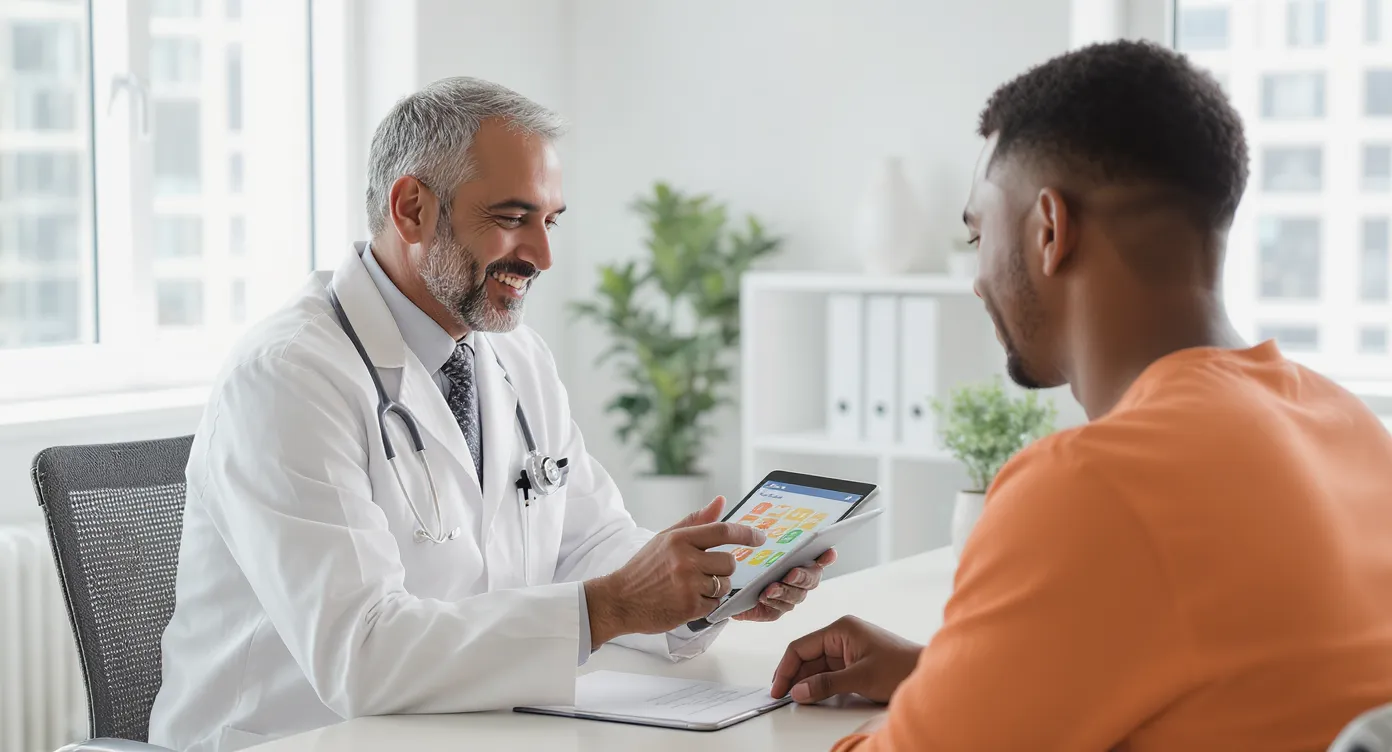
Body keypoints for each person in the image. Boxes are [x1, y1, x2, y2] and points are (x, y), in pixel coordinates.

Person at [149, 77, 833, 752]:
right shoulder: (289, 377)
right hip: (292, 739)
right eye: (512, 219)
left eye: (550, 220)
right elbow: (362, 653)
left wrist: (699, 587)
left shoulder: (515, 358)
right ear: (412, 208)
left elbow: (589, 545)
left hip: (471, 730)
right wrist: (610, 606)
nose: (541, 255)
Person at [773, 40, 1392, 751]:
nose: (977, 279)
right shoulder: (1350, 427)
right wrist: (944, 676)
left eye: (978, 234)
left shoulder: (1091, 485)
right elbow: (1245, 679)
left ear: (1048, 229)